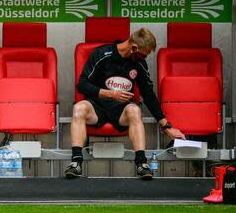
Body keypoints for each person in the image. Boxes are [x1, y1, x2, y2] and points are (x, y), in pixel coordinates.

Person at [65, 28, 186, 180]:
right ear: (134, 47)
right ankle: (76, 163)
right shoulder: (101, 54)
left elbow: (148, 95)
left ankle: (141, 164)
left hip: (121, 109)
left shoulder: (139, 64)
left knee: (135, 111)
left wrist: (166, 126)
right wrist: (110, 93)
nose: (143, 58)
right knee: (79, 108)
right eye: (142, 54)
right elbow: (82, 85)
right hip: (96, 106)